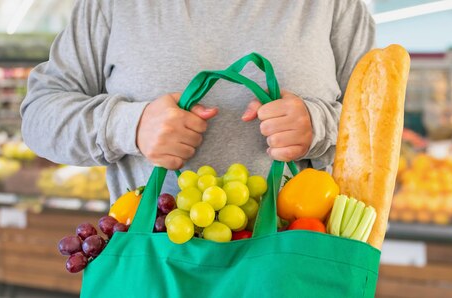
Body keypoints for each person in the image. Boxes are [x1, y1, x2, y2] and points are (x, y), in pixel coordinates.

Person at [21, 0, 374, 201]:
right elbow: (39, 117)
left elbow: (379, 133)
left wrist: (320, 126)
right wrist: (131, 126)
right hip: (154, 263)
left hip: (295, 264)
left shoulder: (336, 6)